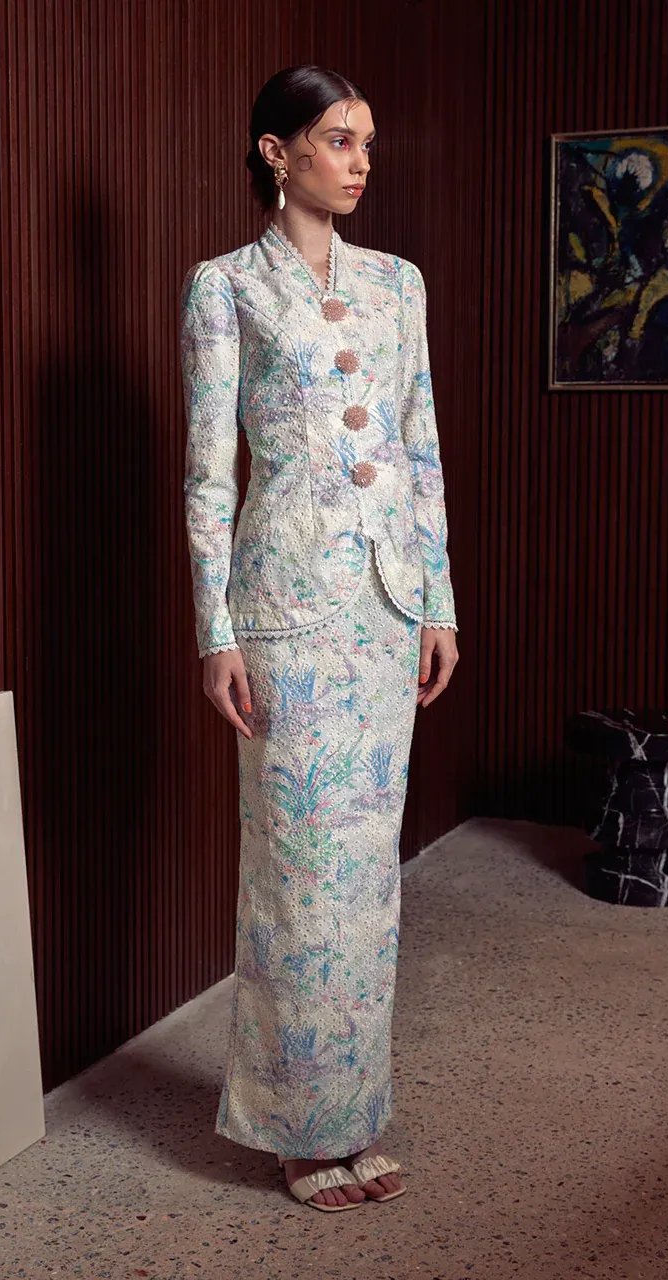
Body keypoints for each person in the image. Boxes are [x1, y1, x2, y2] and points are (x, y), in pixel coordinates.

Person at [178, 64, 458, 1212]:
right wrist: (215, 629)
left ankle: (355, 1114)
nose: (359, 161)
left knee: (366, 881)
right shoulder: (225, 287)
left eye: (367, 142)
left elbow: (419, 444)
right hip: (286, 615)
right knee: (298, 875)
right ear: (275, 151)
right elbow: (209, 471)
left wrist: (438, 600)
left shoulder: (398, 284)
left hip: (385, 611)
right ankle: (299, 1130)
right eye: (339, 139)